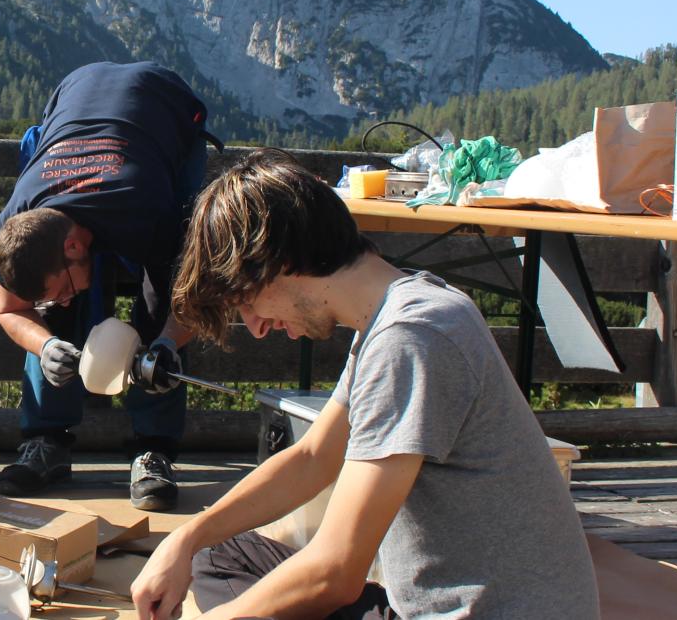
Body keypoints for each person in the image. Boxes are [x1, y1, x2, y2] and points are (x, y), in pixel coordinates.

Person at [128, 148, 599, 619]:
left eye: (246, 301)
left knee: (267, 594)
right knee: (221, 556)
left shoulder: (411, 337)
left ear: (278, 260)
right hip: (430, 601)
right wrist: (184, 539)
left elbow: (336, 572)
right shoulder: (397, 312)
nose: (254, 326)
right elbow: (313, 458)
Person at [0, 61, 222, 510]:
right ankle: (47, 443)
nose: (56, 297)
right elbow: (10, 308)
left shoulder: (149, 208)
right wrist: (45, 345)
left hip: (164, 110)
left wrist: (168, 346)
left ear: (76, 245)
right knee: (58, 313)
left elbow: (191, 296)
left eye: (58, 285)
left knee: (157, 316)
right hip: (76, 90)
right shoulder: (17, 224)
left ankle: (152, 449)